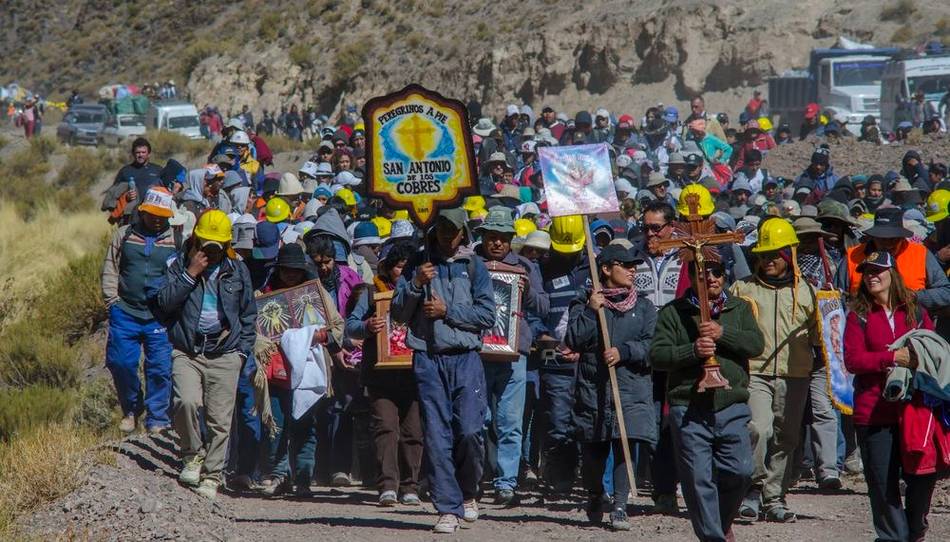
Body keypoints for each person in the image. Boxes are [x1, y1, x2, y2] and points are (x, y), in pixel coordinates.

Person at [390, 208, 495, 533]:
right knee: (436, 434)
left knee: (469, 431)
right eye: (442, 230)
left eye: (453, 231)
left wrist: (449, 311)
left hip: (465, 357)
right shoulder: (419, 264)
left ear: (464, 232)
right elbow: (398, 313)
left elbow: (487, 315)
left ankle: (468, 491)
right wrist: (415, 285)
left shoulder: (475, 266)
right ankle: (447, 507)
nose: (447, 237)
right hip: (428, 357)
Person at [651, 256, 765, 542]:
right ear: (691, 277)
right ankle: (712, 537)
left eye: (717, 273)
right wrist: (691, 351)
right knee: (698, 479)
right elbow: (658, 356)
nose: (712, 279)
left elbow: (755, 344)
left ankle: (722, 521)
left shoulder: (739, 308)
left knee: (740, 471)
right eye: (703, 274)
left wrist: (722, 333)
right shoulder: (673, 312)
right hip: (688, 406)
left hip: (731, 404)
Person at [156, 210, 257, 499]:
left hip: (226, 351)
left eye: (218, 245)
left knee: (219, 419)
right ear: (196, 238)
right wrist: (191, 273)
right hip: (188, 349)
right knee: (185, 402)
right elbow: (164, 303)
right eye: (206, 243)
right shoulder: (177, 264)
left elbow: (249, 313)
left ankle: (212, 475)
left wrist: (242, 351)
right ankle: (192, 455)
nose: (211, 250)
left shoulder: (238, 270)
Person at [843, 251, 939, 542]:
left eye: (877, 271)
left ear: (892, 274)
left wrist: (916, 358)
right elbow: (853, 360)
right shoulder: (858, 314)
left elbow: (933, 351)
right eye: (866, 272)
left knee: (921, 477)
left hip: (915, 410)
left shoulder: (915, 311)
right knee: (882, 483)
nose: (871, 276)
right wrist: (891, 357)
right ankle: (892, 537)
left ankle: (915, 527)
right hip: (874, 412)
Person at [565, 244, 657, 531]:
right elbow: (574, 339)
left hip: (630, 387)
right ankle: (595, 493)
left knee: (625, 444)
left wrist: (625, 352)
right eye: (625, 265)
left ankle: (619, 505)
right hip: (593, 388)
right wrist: (592, 312)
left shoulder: (643, 307)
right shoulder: (585, 301)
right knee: (593, 451)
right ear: (605, 269)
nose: (632, 270)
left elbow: (652, 345)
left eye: (635, 266)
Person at [731, 217, 817, 523]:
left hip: (795, 374)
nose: (767, 260)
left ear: (789, 255)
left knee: (787, 437)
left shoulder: (808, 292)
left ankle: (774, 497)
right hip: (755, 373)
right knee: (759, 428)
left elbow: (823, 336)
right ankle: (751, 489)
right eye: (763, 254)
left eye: (774, 254)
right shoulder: (743, 289)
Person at [259, 244, 344, 498]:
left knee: (305, 424)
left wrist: (321, 336)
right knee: (276, 424)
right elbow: (255, 330)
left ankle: (304, 476)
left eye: (296, 270)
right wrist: (266, 342)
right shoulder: (265, 296)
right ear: (279, 270)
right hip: (275, 370)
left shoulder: (316, 295)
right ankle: (279, 473)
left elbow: (337, 325)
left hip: (308, 370)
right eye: (287, 270)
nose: (291, 275)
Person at [474, 206, 546, 505]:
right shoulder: (471, 264)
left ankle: (506, 482)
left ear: (511, 239)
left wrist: (527, 291)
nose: (498, 243)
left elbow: (542, 306)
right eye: (492, 237)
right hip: (477, 352)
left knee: (510, 421)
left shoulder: (526, 267)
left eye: (503, 238)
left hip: (514, 353)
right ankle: (475, 479)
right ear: (484, 237)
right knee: (476, 420)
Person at [347, 240, 424, 506]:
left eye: (407, 268)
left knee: (413, 430)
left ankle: (410, 486)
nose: (402, 273)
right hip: (380, 373)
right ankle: (388, 485)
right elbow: (351, 326)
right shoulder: (371, 294)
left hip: (413, 372)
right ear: (389, 268)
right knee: (386, 428)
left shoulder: (423, 293)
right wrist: (367, 326)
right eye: (399, 267)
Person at [101, 187, 178, 434]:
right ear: (142, 211)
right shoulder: (124, 235)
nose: (157, 219)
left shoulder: (177, 240)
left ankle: (157, 418)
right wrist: (112, 300)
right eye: (152, 214)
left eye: (162, 215)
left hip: (159, 316)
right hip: (125, 311)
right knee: (121, 363)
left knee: (160, 367)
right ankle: (132, 408)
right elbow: (111, 267)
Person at [836, 207, 950, 332]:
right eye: (882, 238)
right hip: (864, 334)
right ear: (873, 236)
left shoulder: (920, 254)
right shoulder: (853, 257)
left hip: (911, 332)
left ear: (902, 236)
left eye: (893, 238)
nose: (888, 244)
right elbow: (837, 298)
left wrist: (914, 296)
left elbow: (946, 292)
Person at [114, 137, 164, 212]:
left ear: (149, 154)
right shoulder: (125, 171)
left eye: (143, 152)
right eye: (138, 152)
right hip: (130, 215)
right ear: (133, 153)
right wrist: (126, 197)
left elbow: (168, 191)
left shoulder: (158, 170)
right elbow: (114, 194)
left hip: (152, 215)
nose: (140, 155)